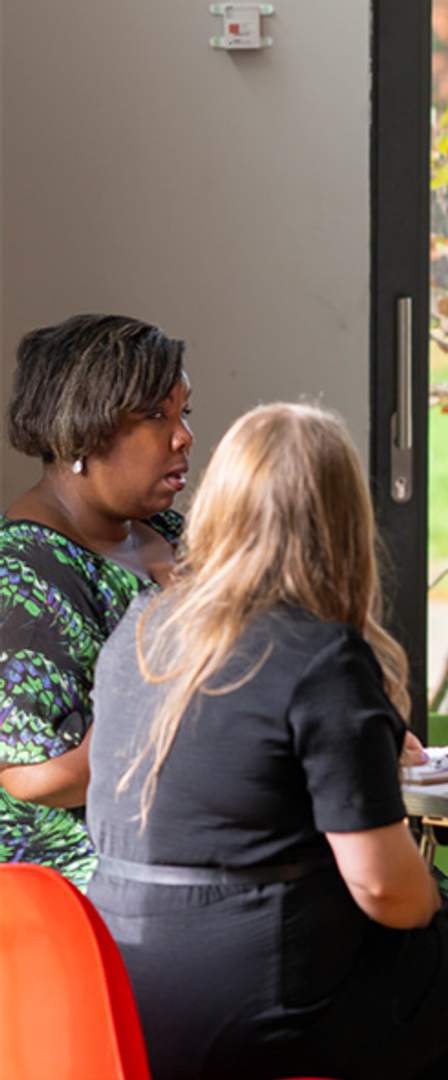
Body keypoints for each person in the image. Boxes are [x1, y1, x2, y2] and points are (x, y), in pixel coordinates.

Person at [85, 404, 448, 1080]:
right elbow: (388, 892)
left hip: (122, 985)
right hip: (256, 996)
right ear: (341, 520)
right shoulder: (321, 655)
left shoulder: (141, 630)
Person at [0, 314, 192, 885]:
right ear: (83, 430)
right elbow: (39, 778)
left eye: (184, 413)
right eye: (155, 415)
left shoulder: (171, 531)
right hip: (96, 885)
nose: (182, 436)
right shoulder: (25, 575)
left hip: (198, 839)